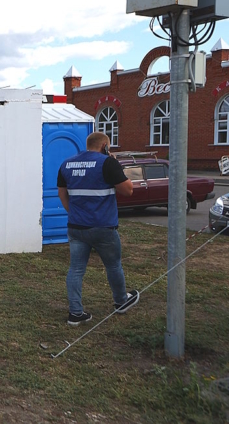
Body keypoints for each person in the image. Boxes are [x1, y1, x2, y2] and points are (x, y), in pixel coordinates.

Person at [57, 132, 140, 326]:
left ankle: (75, 313)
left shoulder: (67, 163)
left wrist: (74, 213)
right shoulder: (107, 163)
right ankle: (121, 301)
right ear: (105, 146)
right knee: (113, 265)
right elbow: (128, 190)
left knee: (76, 269)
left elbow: (62, 193)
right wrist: (115, 164)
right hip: (103, 227)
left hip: (76, 227)